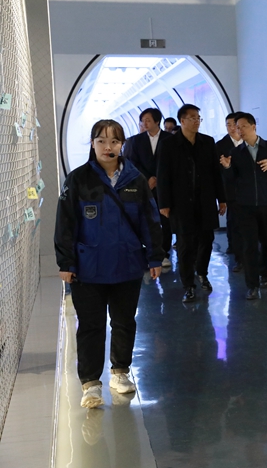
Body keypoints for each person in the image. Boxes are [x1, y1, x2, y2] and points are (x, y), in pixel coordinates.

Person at [55, 119, 163, 409]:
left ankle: (120, 372)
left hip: (127, 264)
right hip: (88, 267)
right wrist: (66, 261)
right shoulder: (78, 179)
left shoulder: (135, 179)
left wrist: (155, 256)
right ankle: (90, 384)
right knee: (90, 326)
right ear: (92, 144)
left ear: (122, 145)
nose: (107, 146)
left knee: (124, 321)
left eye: (114, 141)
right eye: (101, 140)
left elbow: (150, 221)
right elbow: (65, 223)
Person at [158, 104, 227, 303]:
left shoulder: (207, 142)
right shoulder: (169, 144)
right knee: (185, 244)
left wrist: (222, 198)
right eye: (192, 118)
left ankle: (202, 273)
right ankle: (188, 285)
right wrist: (164, 203)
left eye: (198, 118)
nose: (196, 121)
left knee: (206, 240)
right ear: (182, 121)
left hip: (205, 200)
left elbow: (216, 173)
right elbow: (163, 175)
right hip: (181, 203)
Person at [220, 112, 267, 299]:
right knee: (249, 245)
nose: (239, 131)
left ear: (253, 126)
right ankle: (252, 284)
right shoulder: (236, 153)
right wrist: (227, 167)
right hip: (245, 206)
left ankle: (264, 275)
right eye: (237, 128)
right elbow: (231, 180)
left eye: (243, 126)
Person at [123, 107, 173, 268]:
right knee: (145, 220)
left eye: (148, 120)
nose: (144, 123)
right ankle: (145, 253)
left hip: (165, 187)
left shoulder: (169, 139)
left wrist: (158, 178)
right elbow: (131, 162)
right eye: (142, 120)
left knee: (165, 221)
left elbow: (173, 163)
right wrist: (147, 178)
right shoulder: (135, 140)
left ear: (157, 121)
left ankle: (163, 253)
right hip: (144, 187)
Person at [216, 112, 245, 271]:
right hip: (231, 191)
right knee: (235, 223)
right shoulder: (220, 145)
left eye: (234, 124)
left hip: (250, 191)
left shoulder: (249, 141)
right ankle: (238, 255)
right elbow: (217, 172)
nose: (231, 128)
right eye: (228, 124)